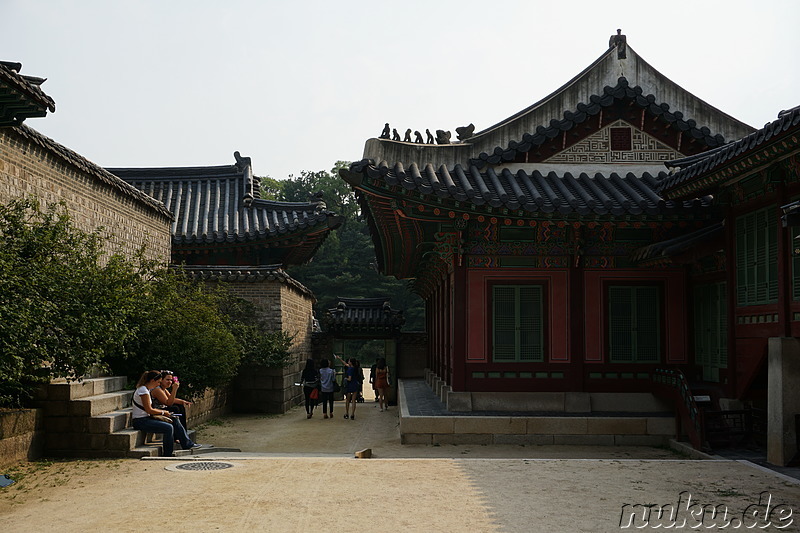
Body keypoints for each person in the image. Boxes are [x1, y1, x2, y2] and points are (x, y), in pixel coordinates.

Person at [130, 370, 205, 457]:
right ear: (152, 381)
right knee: (168, 428)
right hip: (140, 421)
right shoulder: (143, 391)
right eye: (158, 382)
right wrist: (163, 412)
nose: (158, 384)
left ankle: (187, 444)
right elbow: (149, 410)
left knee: (174, 419)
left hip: (146, 418)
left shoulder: (146, 389)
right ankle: (167, 454)